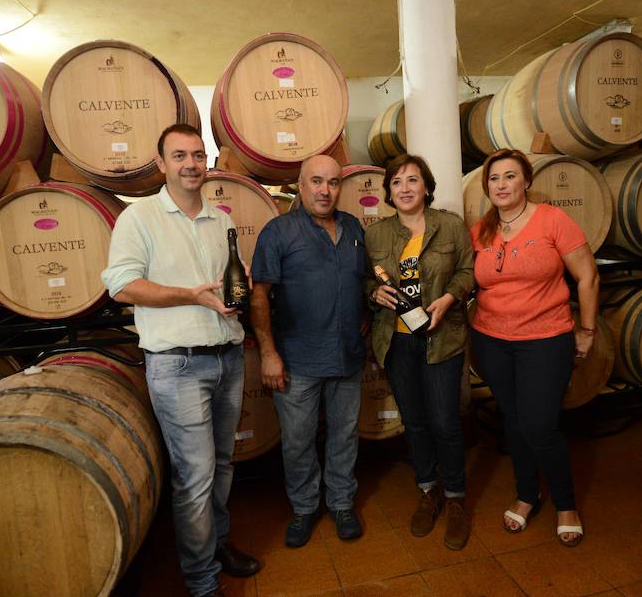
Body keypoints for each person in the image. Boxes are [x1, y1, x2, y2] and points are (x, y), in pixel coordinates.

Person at [101, 123, 259, 597]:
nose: (191, 164)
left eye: (197, 155)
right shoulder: (140, 218)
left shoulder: (222, 220)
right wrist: (191, 297)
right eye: (180, 156)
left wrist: (238, 289)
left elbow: (224, 289)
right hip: (178, 366)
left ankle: (218, 545)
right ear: (161, 163)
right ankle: (202, 580)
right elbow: (122, 285)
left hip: (227, 355)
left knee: (225, 463)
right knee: (195, 476)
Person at [468, 148, 599, 548]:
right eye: (494, 178)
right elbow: (470, 283)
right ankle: (527, 495)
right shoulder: (481, 231)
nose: (502, 184)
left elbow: (588, 276)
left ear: (526, 181)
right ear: (487, 186)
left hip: (545, 339)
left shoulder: (552, 220)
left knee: (540, 425)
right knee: (513, 420)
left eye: (510, 176)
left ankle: (566, 503)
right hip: (491, 339)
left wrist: (588, 331)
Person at [250, 154, 368, 548]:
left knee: (345, 434)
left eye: (333, 182)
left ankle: (341, 503)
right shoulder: (279, 231)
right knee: (298, 440)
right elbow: (260, 295)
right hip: (298, 359)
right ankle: (303, 508)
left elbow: (364, 282)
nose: (325, 190)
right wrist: (268, 353)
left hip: (348, 356)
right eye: (316, 181)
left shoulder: (353, 228)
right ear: (300, 186)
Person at [364, 154, 474, 550]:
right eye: (397, 182)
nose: (405, 188)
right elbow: (365, 280)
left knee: (445, 421)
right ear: (389, 192)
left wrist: (448, 297)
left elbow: (467, 270)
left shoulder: (451, 226)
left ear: (426, 187)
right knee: (415, 422)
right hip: (395, 341)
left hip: (441, 336)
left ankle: (457, 497)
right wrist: (373, 291)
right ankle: (429, 490)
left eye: (413, 180)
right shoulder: (376, 235)